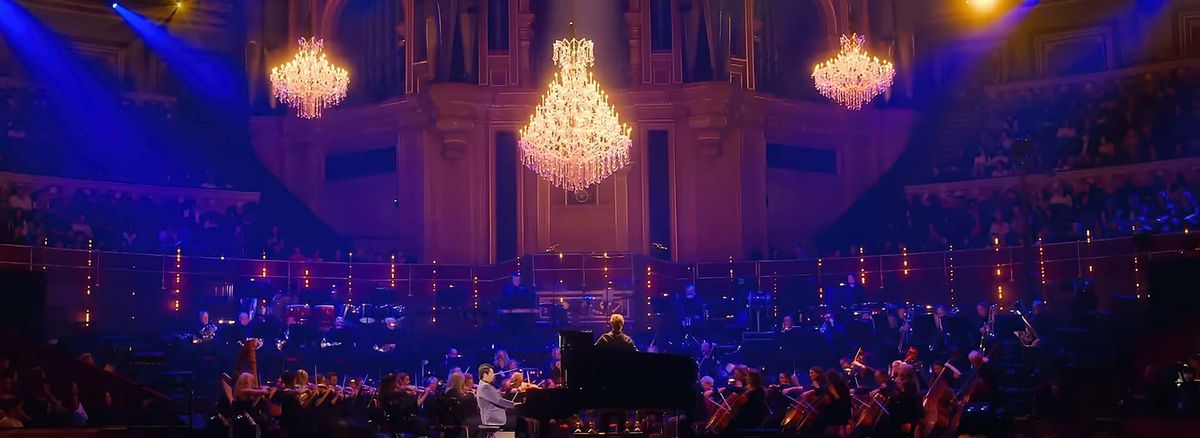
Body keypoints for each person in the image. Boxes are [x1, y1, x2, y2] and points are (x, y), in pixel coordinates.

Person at [475, 364, 516, 428]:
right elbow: (498, 401)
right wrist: (514, 405)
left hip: (493, 417)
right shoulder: (485, 387)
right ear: (485, 374)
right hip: (493, 419)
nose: (493, 375)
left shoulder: (484, 385)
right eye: (491, 373)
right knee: (519, 421)